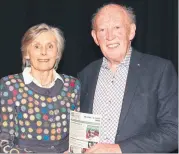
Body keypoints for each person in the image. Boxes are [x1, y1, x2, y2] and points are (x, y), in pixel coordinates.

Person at [78, 3, 178, 153]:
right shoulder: (86, 75)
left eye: (117, 28)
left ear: (131, 31)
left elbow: (174, 132)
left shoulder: (160, 70)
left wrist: (120, 149)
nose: (110, 36)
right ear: (95, 37)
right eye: (102, 30)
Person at [0, 23, 80, 153]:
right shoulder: (10, 86)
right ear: (27, 53)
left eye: (50, 46)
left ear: (57, 53)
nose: (43, 52)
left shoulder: (72, 86)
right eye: (37, 46)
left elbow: (78, 136)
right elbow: (3, 143)